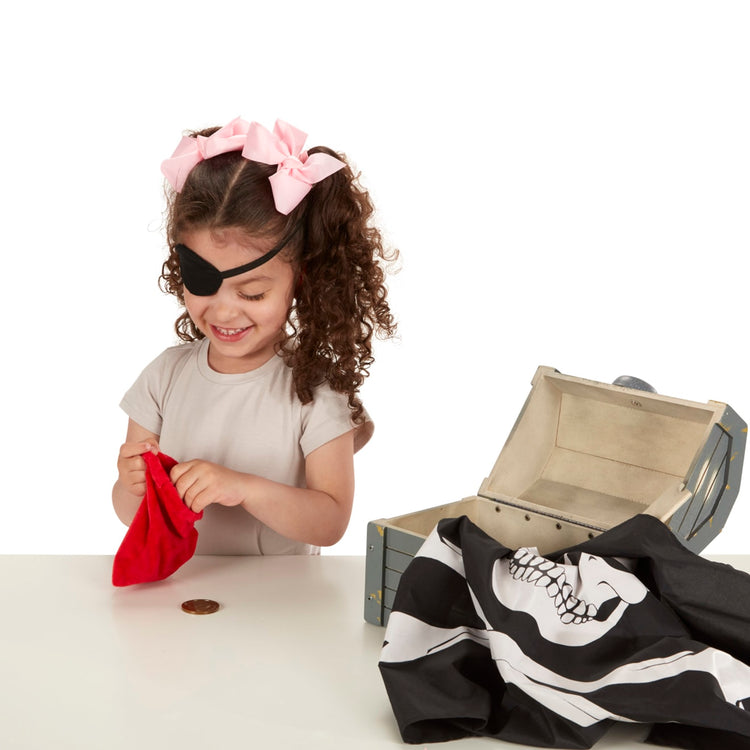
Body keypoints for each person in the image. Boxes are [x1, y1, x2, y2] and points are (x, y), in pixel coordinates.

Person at [112, 117, 397, 555]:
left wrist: (241, 488)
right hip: (184, 594)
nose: (224, 310)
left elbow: (330, 521)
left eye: (253, 292)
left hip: (279, 604)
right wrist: (131, 485)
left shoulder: (316, 392)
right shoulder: (163, 378)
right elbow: (130, 515)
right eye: (202, 282)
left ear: (300, 281)